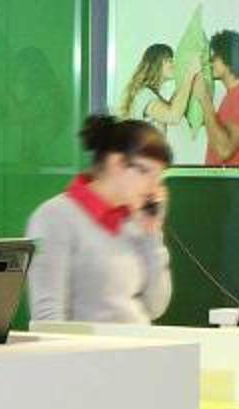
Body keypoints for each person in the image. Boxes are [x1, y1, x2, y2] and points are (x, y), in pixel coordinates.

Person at [23, 115, 174, 325]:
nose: (154, 187)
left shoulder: (134, 220)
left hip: (139, 340)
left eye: (159, 178)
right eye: (146, 172)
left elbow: (155, 307)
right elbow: (48, 318)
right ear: (116, 163)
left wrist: (152, 235)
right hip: (89, 345)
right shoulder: (55, 217)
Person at [204, 29, 239, 170]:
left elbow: (224, 150)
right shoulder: (231, 95)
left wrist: (204, 99)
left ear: (228, 58)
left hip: (230, 181)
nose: (210, 62)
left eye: (214, 57)